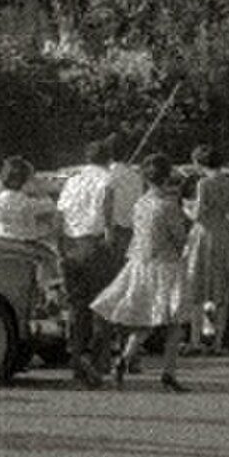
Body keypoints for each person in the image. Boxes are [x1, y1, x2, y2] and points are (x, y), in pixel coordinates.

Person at [92, 152, 192, 388]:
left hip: (141, 264)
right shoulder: (168, 206)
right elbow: (179, 238)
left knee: (146, 322)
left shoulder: (141, 204)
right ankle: (169, 372)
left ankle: (123, 359)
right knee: (174, 322)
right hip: (166, 265)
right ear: (167, 177)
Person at [55, 136, 129, 387]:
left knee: (77, 308)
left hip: (72, 245)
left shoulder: (72, 181)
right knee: (102, 305)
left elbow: (60, 214)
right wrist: (109, 235)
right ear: (108, 159)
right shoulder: (106, 180)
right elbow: (107, 210)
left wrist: (60, 247)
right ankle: (97, 363)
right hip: (95, 244)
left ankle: (78, 362)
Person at [182, 147, 229, 354]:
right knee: (222, 292)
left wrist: (186, 208)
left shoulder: (203, 183)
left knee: (197, 289)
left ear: (200, 163)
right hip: (225, 235)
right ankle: (218, 342)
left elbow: (199, 214)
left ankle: (195, 340)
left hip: (204, 235)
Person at [0, 156, 59, 247]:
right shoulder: (23, 202)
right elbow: (51, 205)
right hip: (24, 247)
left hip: (3, 242)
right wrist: (39, 189)